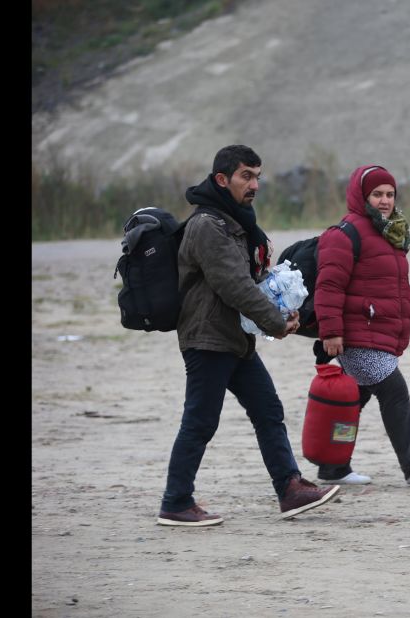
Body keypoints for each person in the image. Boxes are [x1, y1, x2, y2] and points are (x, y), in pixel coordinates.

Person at [157, 145, 339, 527]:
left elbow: (247, 282)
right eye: (246, 176)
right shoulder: (208, 225)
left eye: (257, 176)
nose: (254, 184)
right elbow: (234, 286)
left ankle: (290, 489)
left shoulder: (234, 221)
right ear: (222, 179)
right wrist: (275, 322)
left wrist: (281, 306)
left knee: (267, 410)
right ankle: (176, 502)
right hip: (208, 338)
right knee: (201, 420)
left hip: (232, 338)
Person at [313, 164, 410, 487]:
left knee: (351, 404)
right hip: (356, 334)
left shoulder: (391, 232)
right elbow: (328, 286)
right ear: (361, 196)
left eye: (389, 194)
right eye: (377, 194)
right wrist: (330, 331)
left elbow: (402, 289)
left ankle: (333, 467)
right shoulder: (344, 234)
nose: (385, 200)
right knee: (394, 390)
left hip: (379, 331)